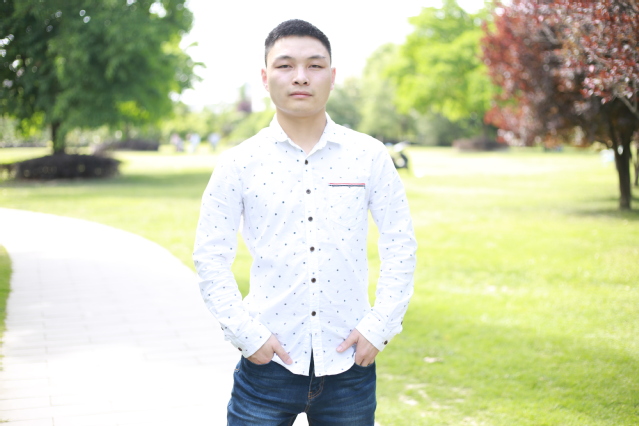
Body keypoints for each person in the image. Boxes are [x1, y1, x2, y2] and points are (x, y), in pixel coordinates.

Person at [193, 19, 417, 426]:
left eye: (315, 65)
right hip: (266, 364)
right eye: (285, 65)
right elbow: (210, 257)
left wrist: (380, 326)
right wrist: (246, 335)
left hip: (349, 364)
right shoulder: (238, 163)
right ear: (265, 78)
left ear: (333, 75)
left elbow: (399, 243)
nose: (300, 77)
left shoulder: (368, 155)